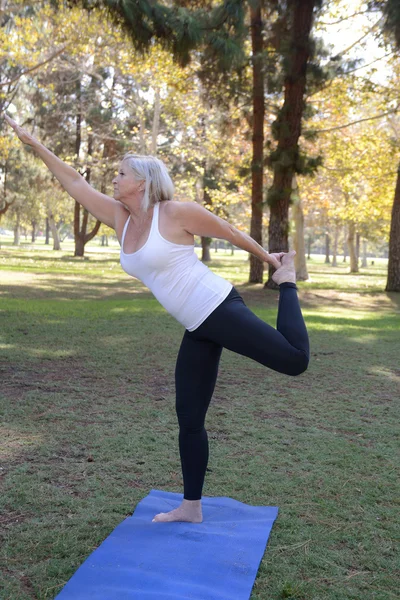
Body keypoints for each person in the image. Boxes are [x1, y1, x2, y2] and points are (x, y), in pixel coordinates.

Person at [4, 114, 309, 524]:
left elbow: (230, 232)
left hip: (217, 306)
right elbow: (75, 184)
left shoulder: (176, 212)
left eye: (121, 172)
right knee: (188, 417)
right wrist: (36, 145)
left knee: (294, 362)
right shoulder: (120, 217)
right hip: (196, 327)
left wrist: (272, 263)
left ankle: (288, 285)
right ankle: (191, 507)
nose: (113, 177)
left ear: (142, 181)